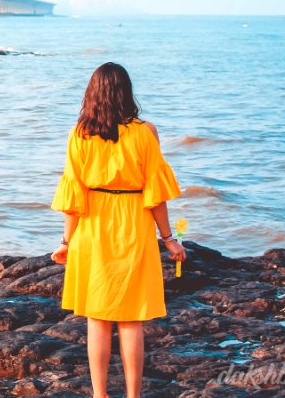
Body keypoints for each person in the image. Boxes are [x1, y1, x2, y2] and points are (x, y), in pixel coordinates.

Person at [50, 62, 186, 398]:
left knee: (97, 318)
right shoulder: (145, 132)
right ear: (126, 92)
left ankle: (99, 394)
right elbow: (156, 194)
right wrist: (169, 239)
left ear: (92, 94)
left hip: (92, 225)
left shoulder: (79, 133)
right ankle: (133, 395)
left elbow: (73, 196)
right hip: (133, 222)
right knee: (131, 319)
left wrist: (66, 241)